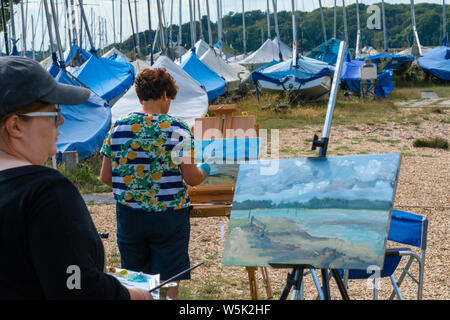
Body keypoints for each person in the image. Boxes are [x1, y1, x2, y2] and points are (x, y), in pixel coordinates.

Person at [0, 56, 152, 300]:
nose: (61, 120)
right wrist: (136, 296)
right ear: (15, 126)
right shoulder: (45, 191)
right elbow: (77, 288)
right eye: (53, 112)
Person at [100, 68, 209, 300]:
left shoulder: (117, 128)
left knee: (134, 277)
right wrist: (206, 170)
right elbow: (191, 178)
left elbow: (106, 177)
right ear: (165, 96)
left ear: (140, 97)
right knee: (169, 277)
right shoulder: (178, 130)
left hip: (130, 216)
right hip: (169, 216)